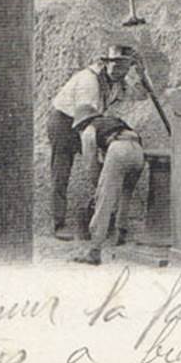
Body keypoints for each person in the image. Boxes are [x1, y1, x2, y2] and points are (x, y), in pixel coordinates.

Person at [47, 45, 145, 241]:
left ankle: (103, 214)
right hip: (65, 122)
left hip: (89, 122)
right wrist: (96, 176)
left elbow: (141, 95)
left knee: (104, 168)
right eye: (116, 66)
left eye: (125, 68)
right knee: (61, 171)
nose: (120, 71)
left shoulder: (116, 82)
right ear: (105, 63)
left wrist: (143, 74)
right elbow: (87, 123)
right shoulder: (88, 81)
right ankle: (59, 224)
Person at [72, 102, 145, 265]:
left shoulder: (88, 131)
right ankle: (120, 232)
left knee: (105, 199)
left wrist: (97, 186)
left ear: (82, 123)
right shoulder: (113, 122)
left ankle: (95, 250)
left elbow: (90, 164)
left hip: (119, 150)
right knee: (126, 194)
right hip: (138, 151)